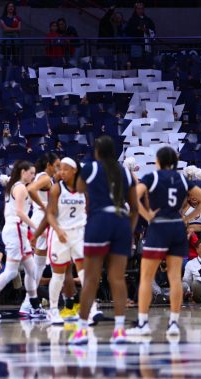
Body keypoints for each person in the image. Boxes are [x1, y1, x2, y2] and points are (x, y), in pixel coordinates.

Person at [130, 146, 201, 340]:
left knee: (146, 277)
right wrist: (187, 218)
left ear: (158, 161)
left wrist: (147, 214)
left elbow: (132, 196)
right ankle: (174, 323)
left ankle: (143, 324)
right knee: (175, 278)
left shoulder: (153, 177)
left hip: (159, 227)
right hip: (177, 227)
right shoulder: (183, 179)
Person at [69, 136, 138, 346]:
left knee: (90, 278)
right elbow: (134, 208)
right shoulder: (126, 172)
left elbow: (78, 189)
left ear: (97, 151)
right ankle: (119, 331)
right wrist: (129, 230)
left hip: (99, 221)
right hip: (121, 222)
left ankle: (81, 330)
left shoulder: (90, 168)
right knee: (117, 279)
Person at [0, 161, 44, 318]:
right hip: (17, 230)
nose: (33, 176)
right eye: (31, 173)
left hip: (16, 230)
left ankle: (34, 306)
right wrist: (36, 228)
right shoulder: (19, 187)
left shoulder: (13, 187)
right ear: (23, 172)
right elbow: (19, 212)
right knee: (12, 272)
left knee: (32, 270)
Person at [37, 157, 86, 325]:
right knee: (58, 275)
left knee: (85, 272)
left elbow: (89, 210)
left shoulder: (83, 188)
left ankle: (90, 308)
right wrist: (57, 230)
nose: (62, 172)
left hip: (78, 234)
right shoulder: (57, 189)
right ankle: (53, 310)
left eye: (65, 169)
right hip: (60, 234)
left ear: (74, 170)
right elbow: (49, 214)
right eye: (60, 169)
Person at [28, 153, 59, 296]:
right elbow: (31, 189)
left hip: (41, 219)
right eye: (56, 165)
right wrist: (44, 206)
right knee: (54, 261)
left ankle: (30, 302)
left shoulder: (43, 177)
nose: (58, 168)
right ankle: (29, 302)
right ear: (49, 165)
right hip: (43, 220)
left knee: (40, 263)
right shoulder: (45, 177)